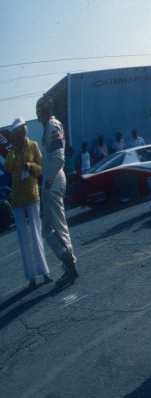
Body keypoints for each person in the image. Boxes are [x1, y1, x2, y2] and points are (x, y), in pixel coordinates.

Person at [3, 118, 51, 290]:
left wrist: (31, 165)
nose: (20, 135)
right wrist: (14, 153)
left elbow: (41, 168)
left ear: (25, 132)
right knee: (23, 238)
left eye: (21, 132)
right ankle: (31, 276)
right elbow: (8, 166)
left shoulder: (33, 146)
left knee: (37, 235)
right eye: (16, 133)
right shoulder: (12, 151)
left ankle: (44, 272)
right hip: (17, 199)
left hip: (32, 195)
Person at [35, 97, 78, 287]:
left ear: (47, 110)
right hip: (49, 181)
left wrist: (49, 181)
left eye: (39, 110)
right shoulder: (48, 128)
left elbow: (59, 157)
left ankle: (70, 266)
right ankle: (66, 258)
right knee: (46, 230)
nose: (37, 114)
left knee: (59, 227)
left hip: (53, 180)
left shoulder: (53, 126)